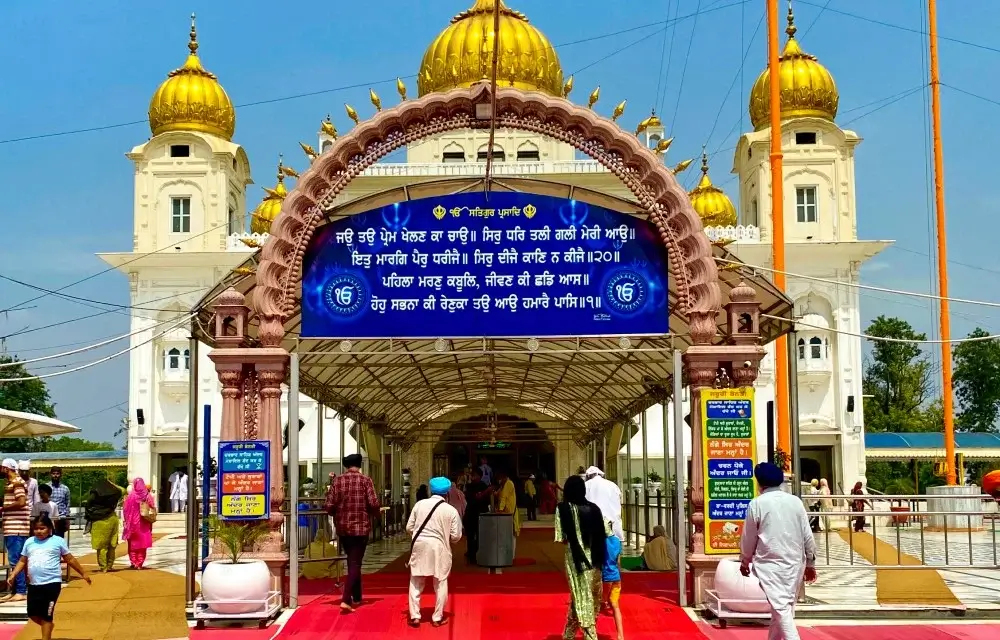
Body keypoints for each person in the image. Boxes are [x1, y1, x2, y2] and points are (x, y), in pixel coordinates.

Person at [739, 462, 817, 640]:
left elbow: (748, 537)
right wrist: (810, 562)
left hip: (770, 564)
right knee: (783, 608)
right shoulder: (795, 502)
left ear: (759, 482)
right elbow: (808, 535)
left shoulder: (757, 504)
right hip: (795, 563)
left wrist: (745, 560)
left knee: (781, 609)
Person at [9, 515, 91, 640]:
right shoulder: (29, 542)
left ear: (50, 528)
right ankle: (47, 626)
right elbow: (22, 560)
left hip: (52, 584)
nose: (39, 531)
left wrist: (83, 573)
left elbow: (70, 559)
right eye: (36, 529)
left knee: (47, 614)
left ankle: (46, 636)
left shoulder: (58, 541)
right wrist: (13, 574)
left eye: (42, 528)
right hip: (34, 584)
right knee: (32, 614)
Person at [325, 453, 380, 613]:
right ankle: (346, 599)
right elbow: (373, 502)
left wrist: (338, 512)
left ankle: (357, 595)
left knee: (352, 561)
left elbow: (329, 505)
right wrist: (377, 515)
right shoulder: (365, 480)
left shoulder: (337, 481)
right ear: (359, 465)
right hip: (361, 527)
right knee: (356, 563)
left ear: (346, 466)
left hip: (343, 528)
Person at [554, 475, 607, 640]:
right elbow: (606, 533)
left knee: (580, 596)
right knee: (590, 598)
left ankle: (590, 636)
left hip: (576, 560)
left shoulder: (562, 509)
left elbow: (561, 537)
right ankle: (569, 634)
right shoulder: (595, 509)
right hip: (596, 560)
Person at [406, 477, 463, 628]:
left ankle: (415, 615)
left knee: (416, 581)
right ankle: (437, 617)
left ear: (431, 490)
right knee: (440, 582)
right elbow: (456, 536)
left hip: (420, 546)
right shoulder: (451, 511)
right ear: (447, 493)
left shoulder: (419, 505)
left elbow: (409, 527)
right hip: (440, 548)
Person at [1, 458, 30, 602]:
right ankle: (14, 590)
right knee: (15, 559)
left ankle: (21, 590)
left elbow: (21, 502)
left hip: (16, 527)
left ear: (7, 468)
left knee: (16, 560)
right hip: (12, 527)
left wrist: (3, 508)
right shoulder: (11, 483)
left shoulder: (17, 482)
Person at [84, 477, 124, 573]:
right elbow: (123, 490)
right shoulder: (114, 494)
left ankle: (103, 567)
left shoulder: (94, 494)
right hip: (112, 519)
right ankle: (110, 566)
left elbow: (88, 504)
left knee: (102, 546)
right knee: (112, 545)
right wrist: (111, 484)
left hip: (99, 522)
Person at [123, 478, 156, 569]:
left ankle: (133, 562)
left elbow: (125, 510)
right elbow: (152, 507)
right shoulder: (147, 496)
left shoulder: (131, 496)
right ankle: (139, 563)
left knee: (132, 544)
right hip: (144, 524)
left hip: (132, 524)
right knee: (142, 544)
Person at [585, 466, 623, 542]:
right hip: (611, 522)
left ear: (589, 476)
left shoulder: (586, 485)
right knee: (612, 546)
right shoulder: (612, 485)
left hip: (593, 523)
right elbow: (619, 498)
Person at [602, 519, 625, 640]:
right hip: (616, 578)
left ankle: (591, 634)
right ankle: (621, 636)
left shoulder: (601, 542)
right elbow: (618, 562)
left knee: (598, 605)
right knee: (615, 606)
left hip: (606, 577)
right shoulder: (617, 541)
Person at [463, 467, 490, 563]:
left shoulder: (484, 486)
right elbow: (471, 498)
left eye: (474, 475)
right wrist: (483, 494)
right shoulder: (469, 486)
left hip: (480, 515)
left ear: (480, 476)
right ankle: (471, 555)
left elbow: (487, 501)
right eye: (472, 475)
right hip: (470, 514)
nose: (473, 477)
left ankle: (478, 554)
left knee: (480, 536)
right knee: (470, 536)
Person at [494, 468, 521, 553]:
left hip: (509, 513)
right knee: (506, 535)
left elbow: (503, 498)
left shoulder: (508, 484)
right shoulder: (503, 485)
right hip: (506, 513)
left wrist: (500, 510)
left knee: (511, 534)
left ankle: (510, 555)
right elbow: (498, 494)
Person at [47, 467, 71, 539]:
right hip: (49, 518)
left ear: (60, 475)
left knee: (59, 539)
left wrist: (67, 520)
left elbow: (67, 504)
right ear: (50, 474)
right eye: (53, 474)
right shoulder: (46, 487)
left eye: (57, 474)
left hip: (61, 518)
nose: (55, 475)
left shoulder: (65, 488)